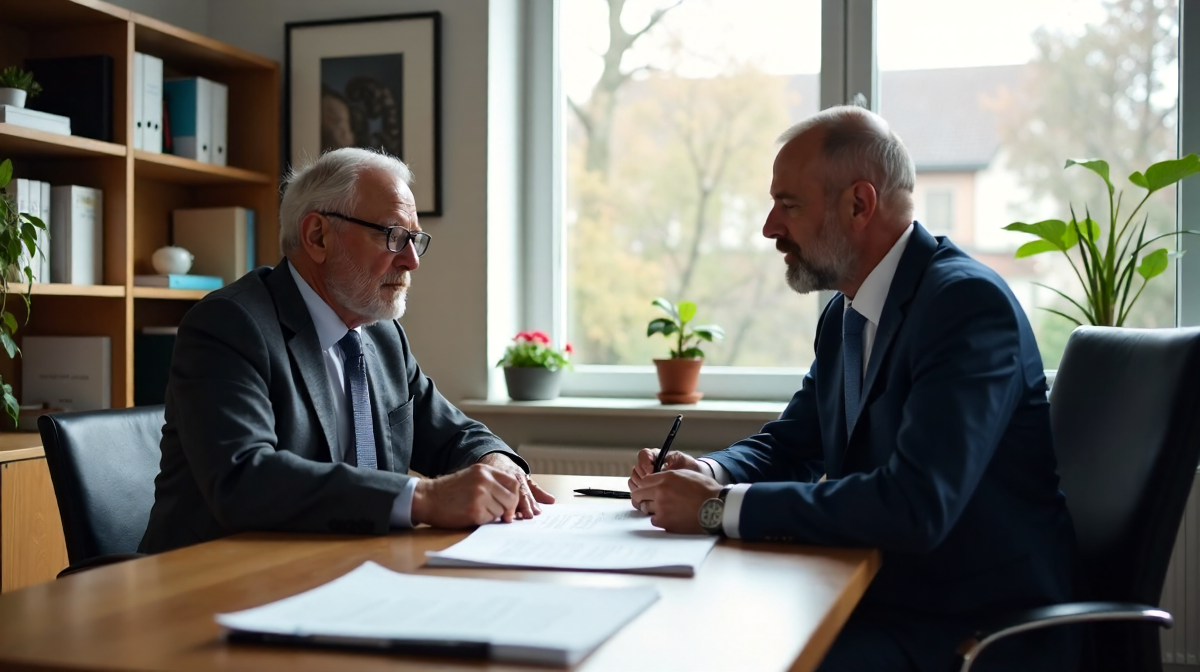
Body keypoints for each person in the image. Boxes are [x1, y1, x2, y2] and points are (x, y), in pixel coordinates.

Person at [628, 106, 1077, 672]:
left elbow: (916, 505)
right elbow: (791, 443)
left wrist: (717, 509)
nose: (770, 227)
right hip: (886, 598)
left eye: (788, 204)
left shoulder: (965, 305)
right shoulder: (846, 314)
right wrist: (709, 473)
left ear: (859, 204)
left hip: (974, 627)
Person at [140, 147, 553, 554]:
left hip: (343, 567)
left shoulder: (381, 334)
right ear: (318, 236)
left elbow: (453, 434)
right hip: (215, 578)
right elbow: (245, 477)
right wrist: (424, 498)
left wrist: (496, 461)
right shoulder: (229, 325)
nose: (411, 260)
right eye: (393, 235)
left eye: (414, 239)